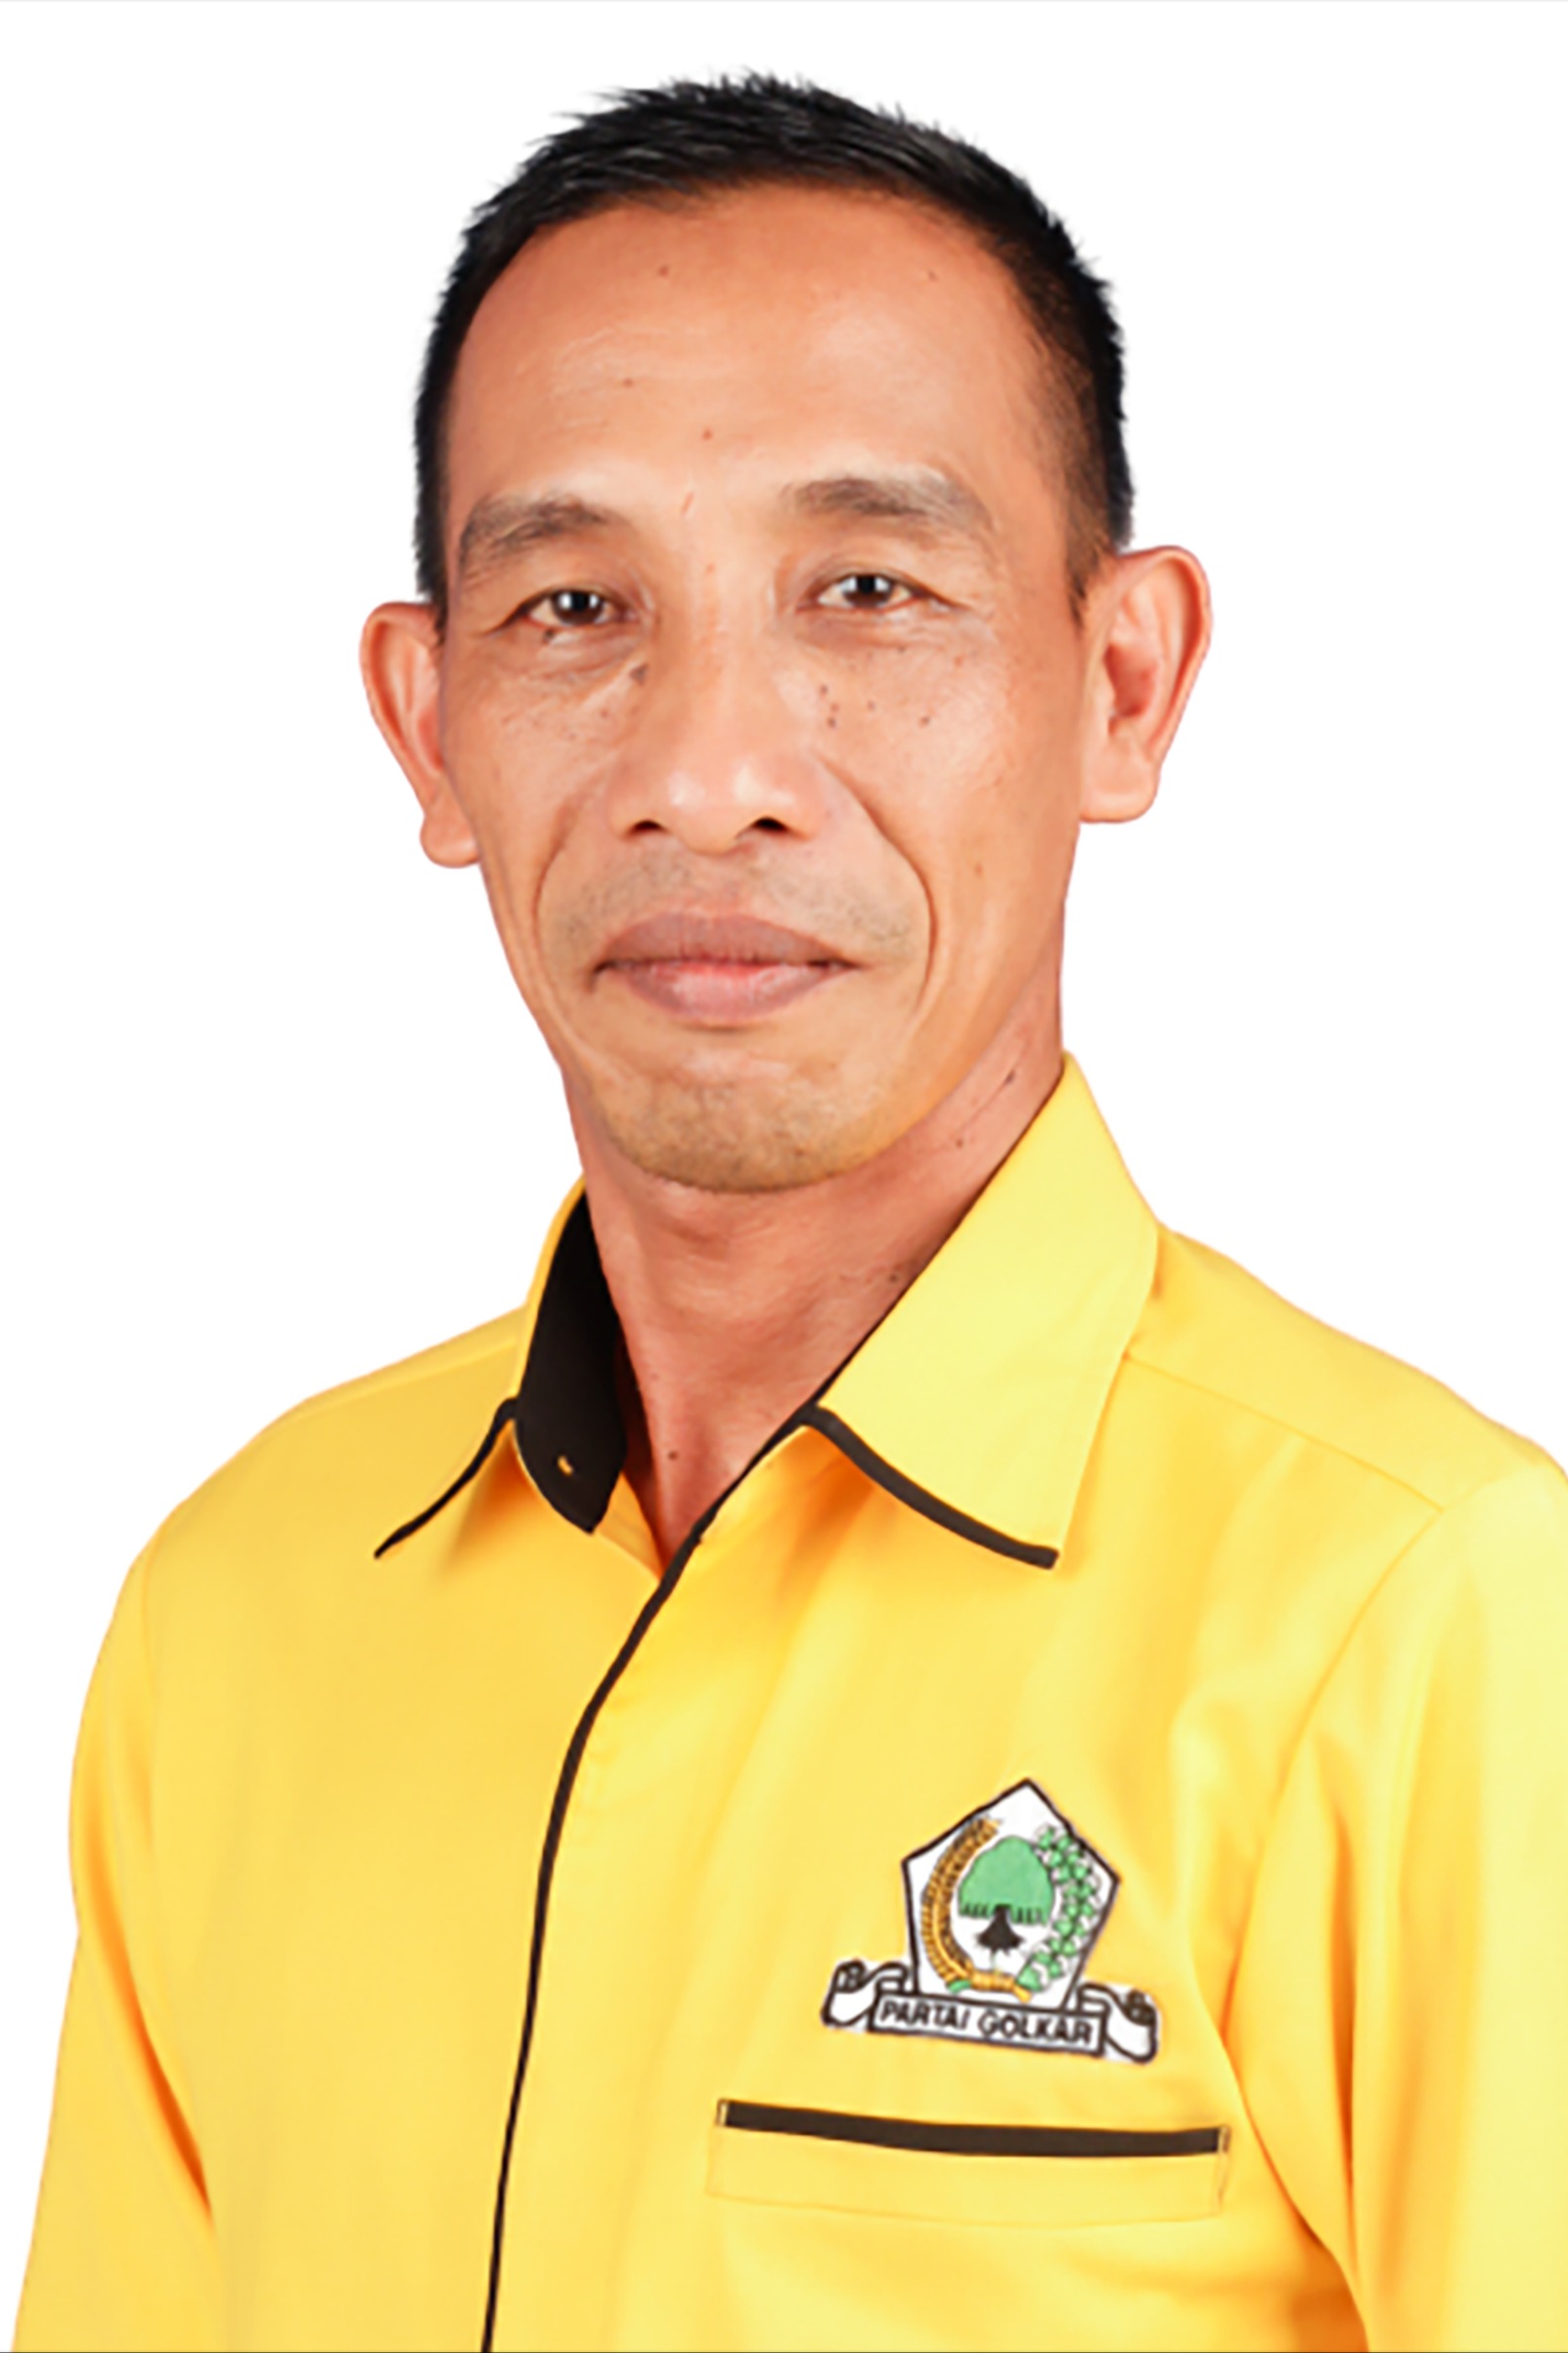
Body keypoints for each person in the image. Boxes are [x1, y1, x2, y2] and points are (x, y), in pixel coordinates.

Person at [16, 72, 1568, 2353]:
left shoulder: (1428, 1627)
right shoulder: (236, 1611)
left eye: (868, 589)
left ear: (1120, 683)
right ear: (427, 725)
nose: (707, 772)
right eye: (573, 604)